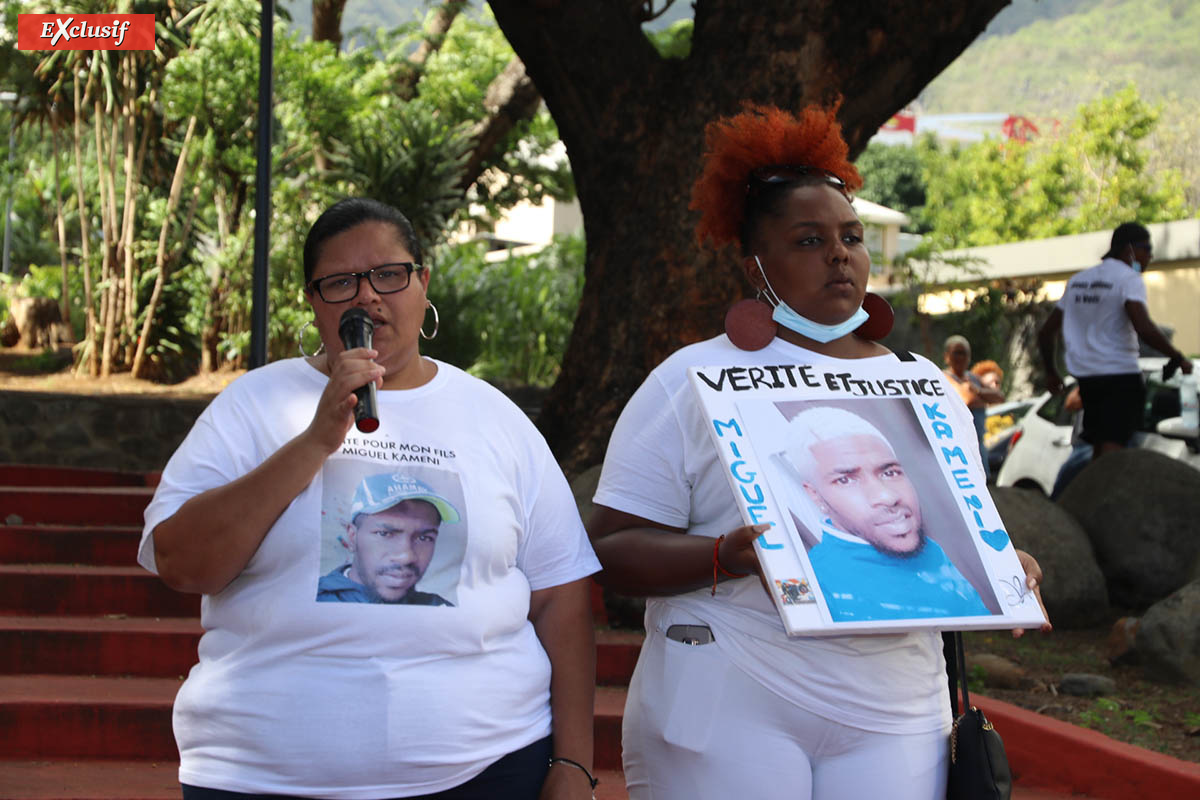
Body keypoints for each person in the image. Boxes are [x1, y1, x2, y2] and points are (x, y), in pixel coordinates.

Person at [587, 104, 1049, 800]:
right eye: (808, 240)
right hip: (729, 696)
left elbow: (955, 522)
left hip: (897, 710)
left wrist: (1003, 566)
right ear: (756, 267)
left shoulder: (923, 386)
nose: (840, 255)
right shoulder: (689, 379)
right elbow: (610, 549)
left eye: (852, 236)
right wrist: (727, 557)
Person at [138, 198, 601, 800]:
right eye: (340, 283)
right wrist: (313, 442)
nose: (367, 297)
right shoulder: (252, 406)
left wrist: (573, 764)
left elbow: (562, 600)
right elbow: (181, 563)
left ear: (422, 283)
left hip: (487, 768)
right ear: (312, 300)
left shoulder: (495, 419)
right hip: (265, 776)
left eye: (389, 274)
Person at [783, 405, 991, 621]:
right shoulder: (805, 574)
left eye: (890, 472)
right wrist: (745, 569)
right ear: (815, 495)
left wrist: (1008, 571)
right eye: (845, 480)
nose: (887, 496)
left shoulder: (931, 551)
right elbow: (798, 616)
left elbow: (974, 614)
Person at [1038, 222, 1193, 459]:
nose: (1150, 256)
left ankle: (1096, 490)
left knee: (1100, 444)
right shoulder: (1128, 279)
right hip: (1121, 376)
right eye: (1146, 248)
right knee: (1113, 447)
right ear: (1129, 249)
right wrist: (1177, 356)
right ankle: (1104, 493)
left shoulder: (1078, 281)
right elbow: (1143, 326)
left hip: (1088, 379)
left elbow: (1046, 332)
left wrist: (1051, 372)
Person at [317, 473, 458, 605]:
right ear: (352, 537)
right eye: (384, 534)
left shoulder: (440, 608)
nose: (406, 557)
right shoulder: (313, 600)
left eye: (424, 538)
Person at [942, 335, 1004, 479]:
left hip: (978, 446)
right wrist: (982, 397)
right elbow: (967, 399)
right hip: (958, 447)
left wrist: (978, 391)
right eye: (957, 352)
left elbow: (999, 397)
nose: (961, 358)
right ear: (947, 356)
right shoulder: (943, 376)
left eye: (964, 353)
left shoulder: (973, 378)